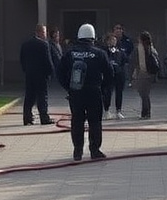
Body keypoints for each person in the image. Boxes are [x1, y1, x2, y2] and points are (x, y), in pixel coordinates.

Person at [56, 23, 114, 161]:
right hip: (94, 92)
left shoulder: (70, 53)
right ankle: (95, 150)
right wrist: (102, 88)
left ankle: (77, 151)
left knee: (77, 121)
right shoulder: (99, 53)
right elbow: (110, 74)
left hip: (76, 93)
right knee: (95, 122)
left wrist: (69, 87)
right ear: (93, 37)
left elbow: (59, 72)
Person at [19, 24, 55, 125]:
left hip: (29, 74)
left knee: (29, 96)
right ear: (40, 32)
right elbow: (47, 60)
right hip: (41, 75)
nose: (45, 35)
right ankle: (44, 118)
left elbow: (22, 59)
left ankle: (27, 118)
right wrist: (51, 72)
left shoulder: (25, 44)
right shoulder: (44, 45)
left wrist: (26, 70)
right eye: (44, 32)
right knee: (42, 96)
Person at [101, 33, 128, 119]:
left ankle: (118, 110)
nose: (113, 42)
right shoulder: (104, 51)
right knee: (108, 92)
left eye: (115, 40)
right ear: (107, 41)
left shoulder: (120, 51)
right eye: (111, 40)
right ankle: (107, 110)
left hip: (119, 74)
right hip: (108, 75)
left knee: (119, 92)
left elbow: (124, 61)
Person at [133, 31, 159, 119]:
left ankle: (145, 113)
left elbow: (138, 63)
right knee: (146, 94)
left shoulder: (140, 48)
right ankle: (146, 112)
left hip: (143, 73)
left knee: (143, 94)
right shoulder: (152, 48)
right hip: (151, 73)